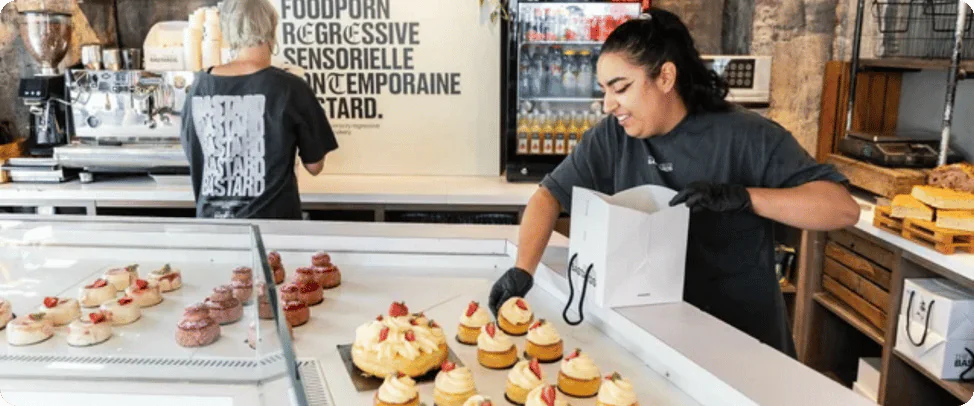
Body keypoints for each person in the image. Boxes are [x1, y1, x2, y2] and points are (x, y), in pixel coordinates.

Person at [488, 8, 861, 357]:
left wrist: (745, 197)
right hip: (651, 336)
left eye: (620, 88)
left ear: (665, 77)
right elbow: (548, 195)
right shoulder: (612, 138)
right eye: (604, 90)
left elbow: (841, 208)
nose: (607, 104)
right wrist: (524, 268)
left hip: (742, 339)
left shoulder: (747, 135)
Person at [180, 0, 337, 219]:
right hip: (274, 228)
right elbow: (315, 165)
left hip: (213, 227)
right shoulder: (290, 88)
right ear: (272, 27)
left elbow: (195, 154)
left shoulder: (198, 87)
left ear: (228, 30)